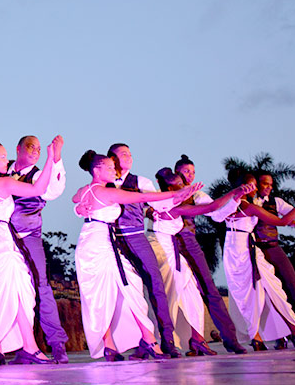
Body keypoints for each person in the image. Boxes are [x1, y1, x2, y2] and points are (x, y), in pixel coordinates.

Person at [71, 151, 198, 361]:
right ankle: (143, 342)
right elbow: (142, 197)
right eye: (109, 167)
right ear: (96, 171)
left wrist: (79, 207)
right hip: (99, 245)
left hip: (94, 240)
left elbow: (76, 198)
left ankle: (117, 344)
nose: (114, 170)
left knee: (115, 290)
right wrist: (176, 194)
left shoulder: (86, 190)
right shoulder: (105, 192)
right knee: (121, 288)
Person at [0, 135, 69, 362]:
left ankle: (53, 343)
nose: (36, 151)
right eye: (31, 146)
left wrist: (55, 160)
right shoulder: (2, 175)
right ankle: (17, 346)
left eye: (40, 149)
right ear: (18, 148)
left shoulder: (36, 173)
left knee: (33, 285)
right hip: (2, 238)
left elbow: (51, 190)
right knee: (11, 289)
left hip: (24, 236)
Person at [152, 167, 251, 355]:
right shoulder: (161, 198)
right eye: (184, 173)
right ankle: (174, 342)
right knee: (171, 294)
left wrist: (235, 199)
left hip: (187, 241)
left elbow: (217, 213)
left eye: (192, 172)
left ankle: (223, 340)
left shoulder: (195, 194)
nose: (189, 176)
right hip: (166, 246)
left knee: (206, 291)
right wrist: (233, 193)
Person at [222, 171, 295, 350]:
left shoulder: (239, 204)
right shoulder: (242, 206)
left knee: (275, 288)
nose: (256, 188)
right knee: (247, 295)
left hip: (249, 247)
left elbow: (292, 219)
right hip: (237, 250)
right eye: (252, 185)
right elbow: (282, 222)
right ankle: (256, 336)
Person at [104, 143, 180, 357]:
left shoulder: (141, 182)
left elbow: (159, 205)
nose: (129, 157)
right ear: (113, 158)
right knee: (125, 291)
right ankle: (140, 341)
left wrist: (178, 197)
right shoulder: (105, 182)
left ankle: (168, 340)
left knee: (155, 284)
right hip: (111, 240)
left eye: (130, 153)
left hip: (136, 237)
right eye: (124, 154)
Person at [251, 172, 295, 347]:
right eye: (265, 183)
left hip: (273, 248)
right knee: (265, 296)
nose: (269, 187)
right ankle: (281, 336)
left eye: (271, 184)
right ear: (256, 184)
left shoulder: (276, 202)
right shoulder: (248, 202)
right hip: (255, 251)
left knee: (293, 288)